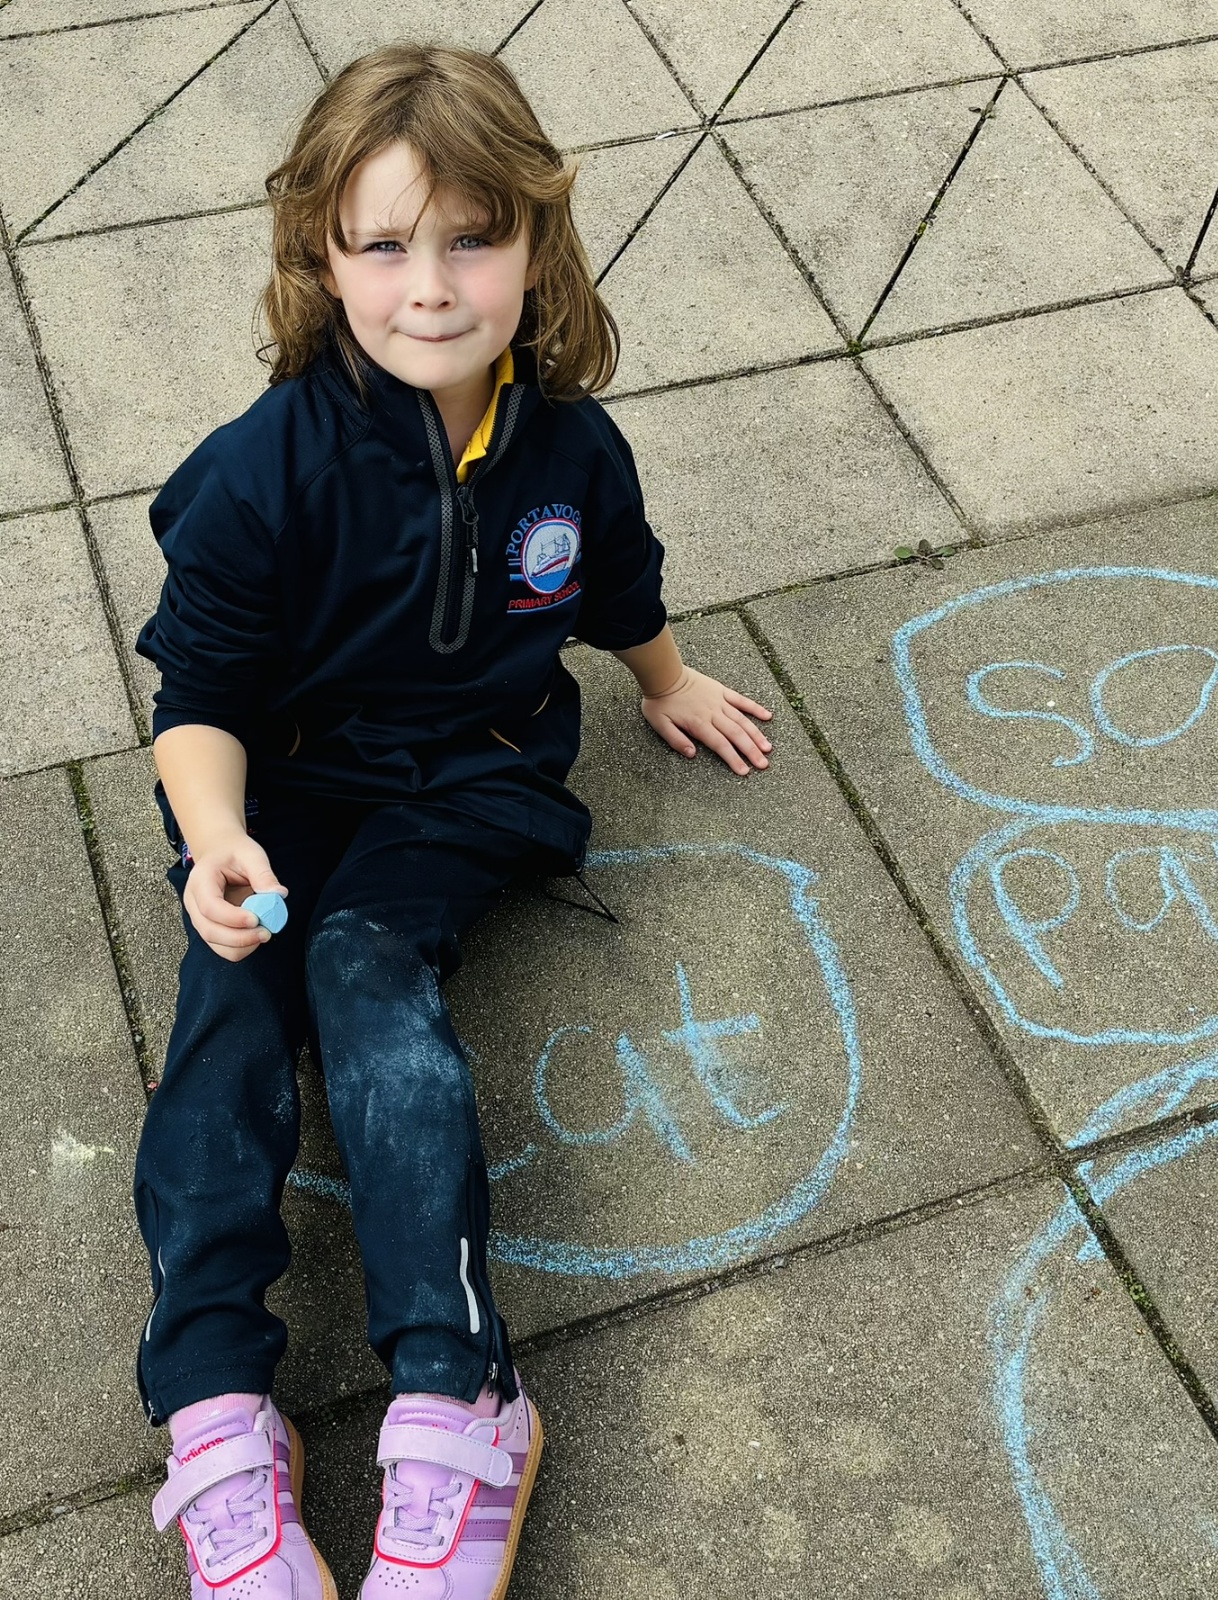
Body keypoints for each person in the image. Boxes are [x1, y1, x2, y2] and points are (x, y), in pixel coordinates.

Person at [133, 42, 773, 1600]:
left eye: (472, 238)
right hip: (283, 786)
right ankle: (214, 1412)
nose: (429, 287)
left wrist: (665, 679)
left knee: (365, 975)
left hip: (474, 778)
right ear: (320, 255)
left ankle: (460, 1393)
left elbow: (616, 581)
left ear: (537, 243)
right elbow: (196, 698)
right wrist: (218, 838)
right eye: (383, 244)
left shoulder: (569, 448)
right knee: (230, 1000)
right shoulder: (261, 472)